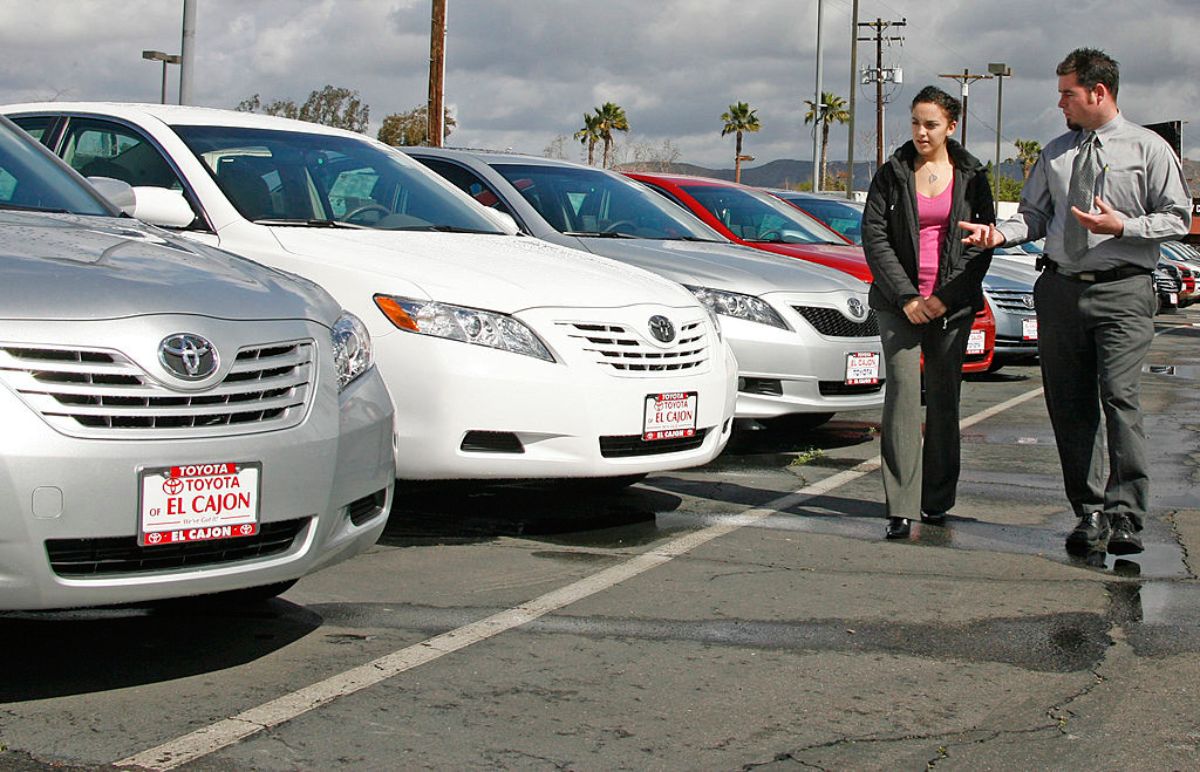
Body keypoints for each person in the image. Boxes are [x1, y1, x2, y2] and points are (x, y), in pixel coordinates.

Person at [959, 48, 1191, 556]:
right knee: (1069, 404)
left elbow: (1178, 216)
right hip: (1061, 289)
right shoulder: (1056, 152)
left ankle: (1125, 515)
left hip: (1124, 290)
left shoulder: (1149, 149)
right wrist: (997, 235)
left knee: (1121, 399)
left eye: (1067, 92)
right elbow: (1033, 217)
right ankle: (1087, 512)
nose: (1060, 102)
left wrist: (1123, 226)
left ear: (1098, 92)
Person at [862, 85, 995, 539]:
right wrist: (907, 297)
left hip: (951, 305)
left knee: (943, 400)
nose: (921, 132)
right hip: (900, 305)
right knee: (901, 393)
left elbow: (981, 243)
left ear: (951, 127)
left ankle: (935, 499)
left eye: (931, 124)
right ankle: (901, 505)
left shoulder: (973, 175)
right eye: (916, 123)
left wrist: (943, 297)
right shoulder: (892, 173)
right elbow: (875, 238)